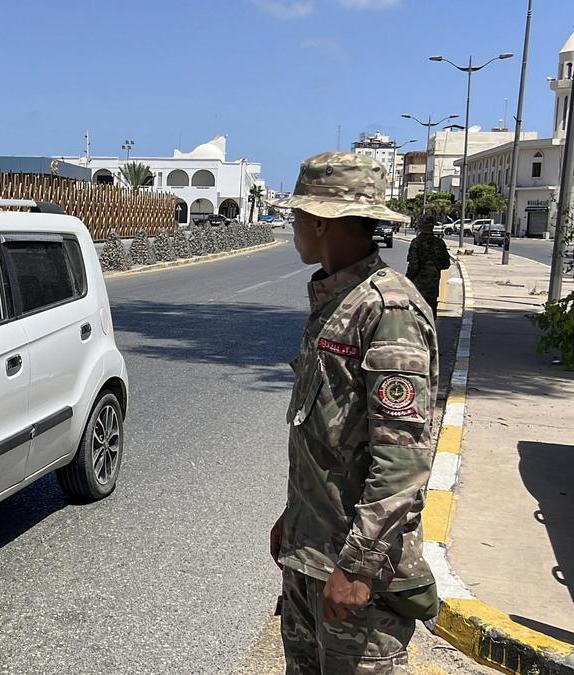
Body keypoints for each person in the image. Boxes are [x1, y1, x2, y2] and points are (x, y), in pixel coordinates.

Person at [270, 152, 440, 675]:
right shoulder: (335, 297)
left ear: (320, 220)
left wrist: (359, 566)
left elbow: (402, 460)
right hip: (311, 556)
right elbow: (327, 433)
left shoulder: (386, 308)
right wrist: (293, 519)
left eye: (297, 216)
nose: (292, 226)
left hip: (352, 569)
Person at [406, 216, 451, 317]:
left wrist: (406, 280)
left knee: (416, 316)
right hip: (433, 286)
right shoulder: (439, 243)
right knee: (430, 315)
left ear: (420, 227)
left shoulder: (416, 242)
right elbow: (446, 264)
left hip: (417, 287)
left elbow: (413, 266)